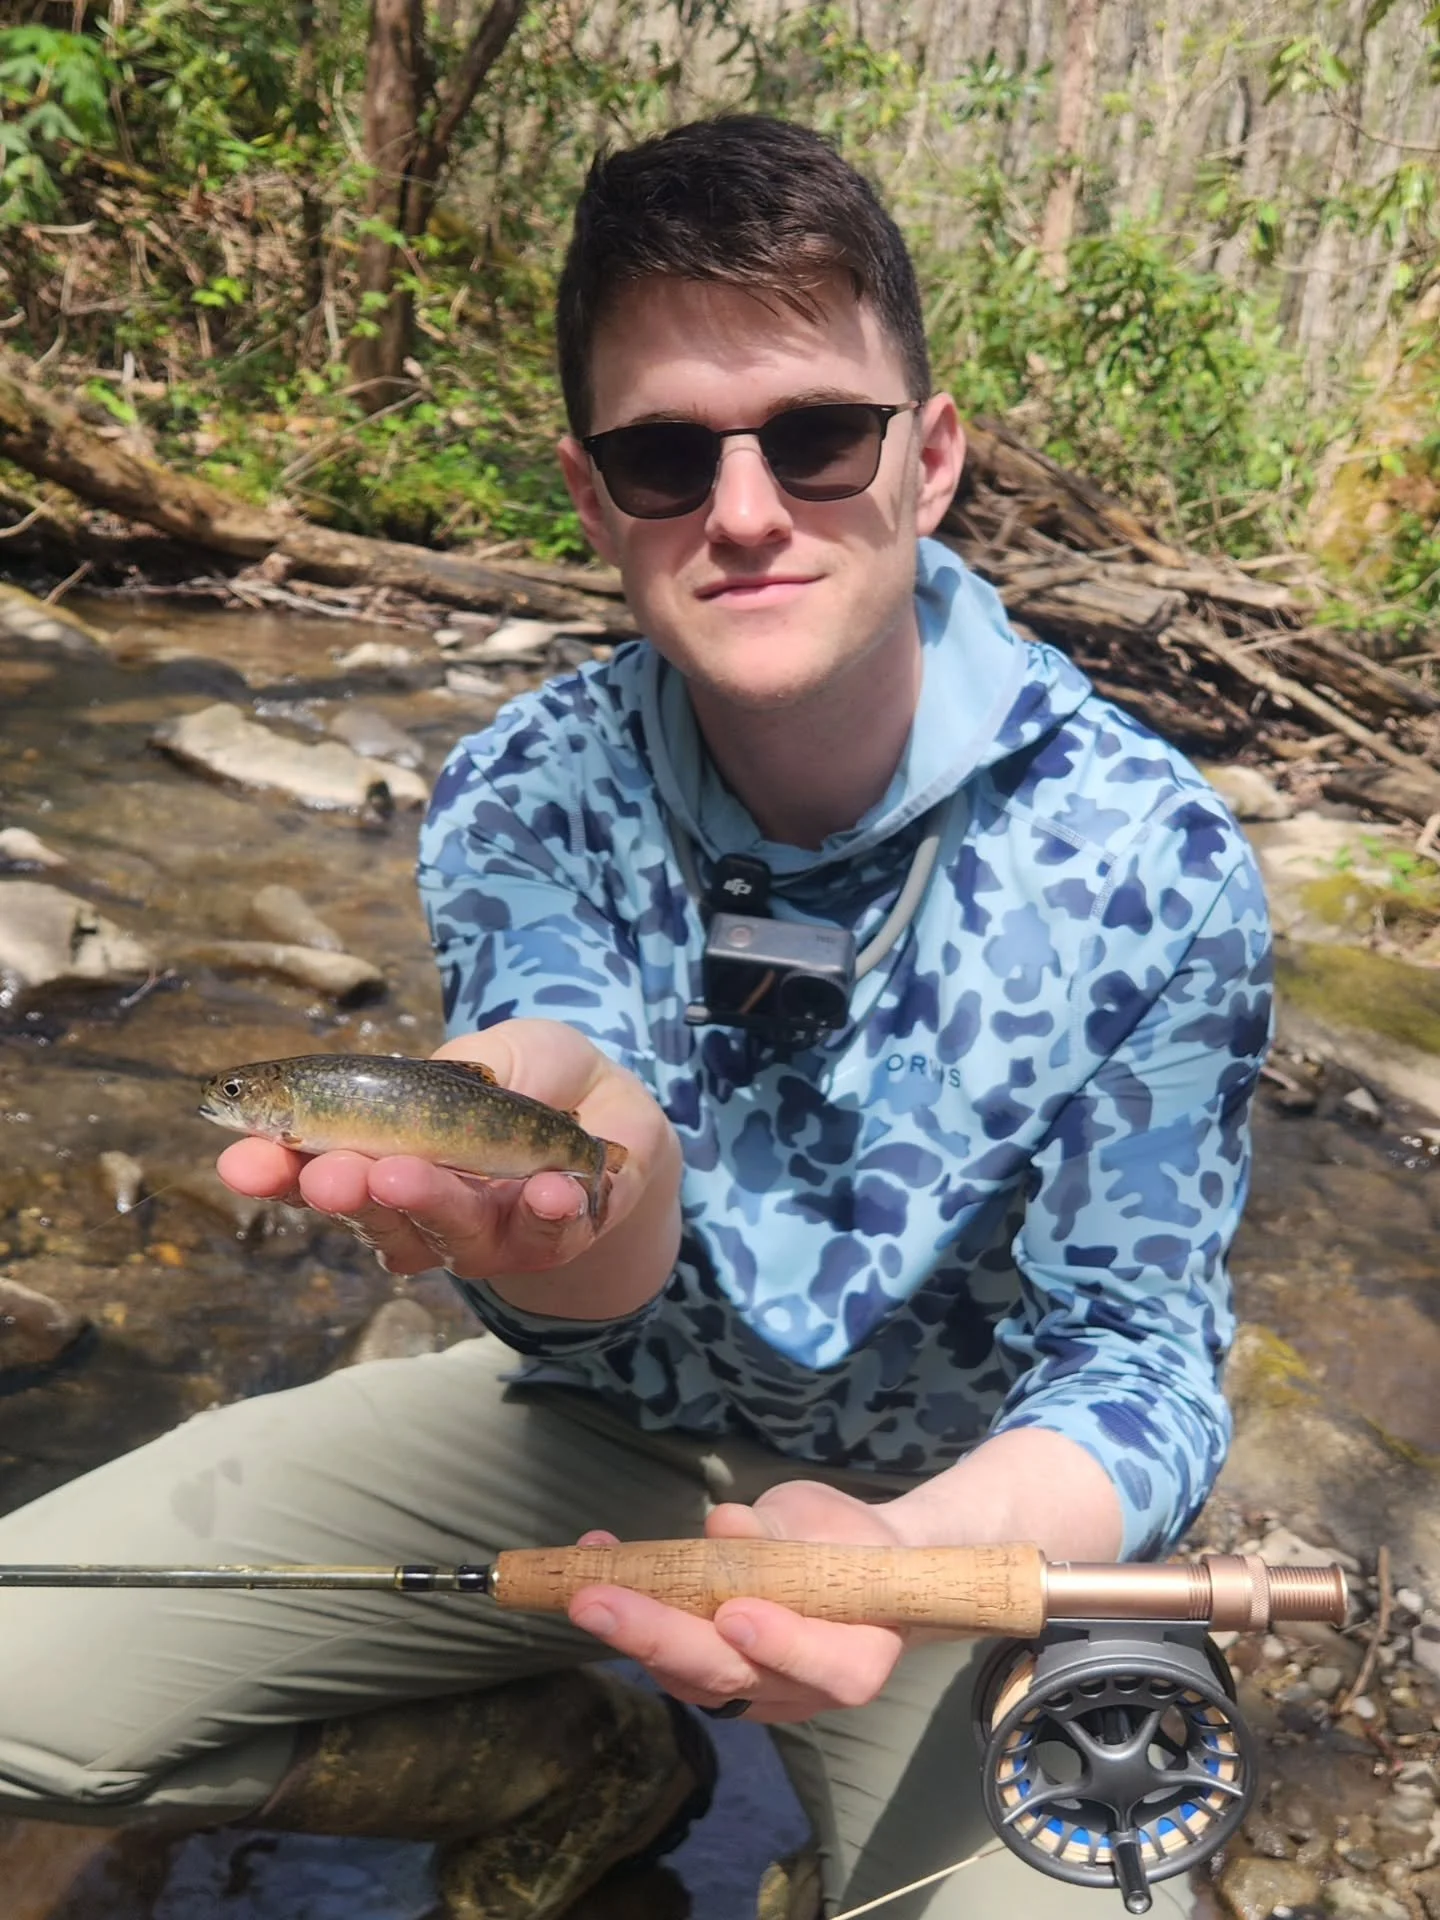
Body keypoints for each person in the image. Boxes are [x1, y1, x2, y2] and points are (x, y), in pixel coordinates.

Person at [0, 115, 1270, 1919]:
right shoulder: (525, 788)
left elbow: (1144, 1368)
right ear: (594, 499)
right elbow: (585, 1144)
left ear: (931, 457)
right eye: (668, 455)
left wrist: (919, 1550)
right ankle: (563, 1759)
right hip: (603, 1425)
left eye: (817, 437)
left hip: (956, 1510)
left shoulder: (1157, 860)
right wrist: (545, 1189)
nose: (745, 511)